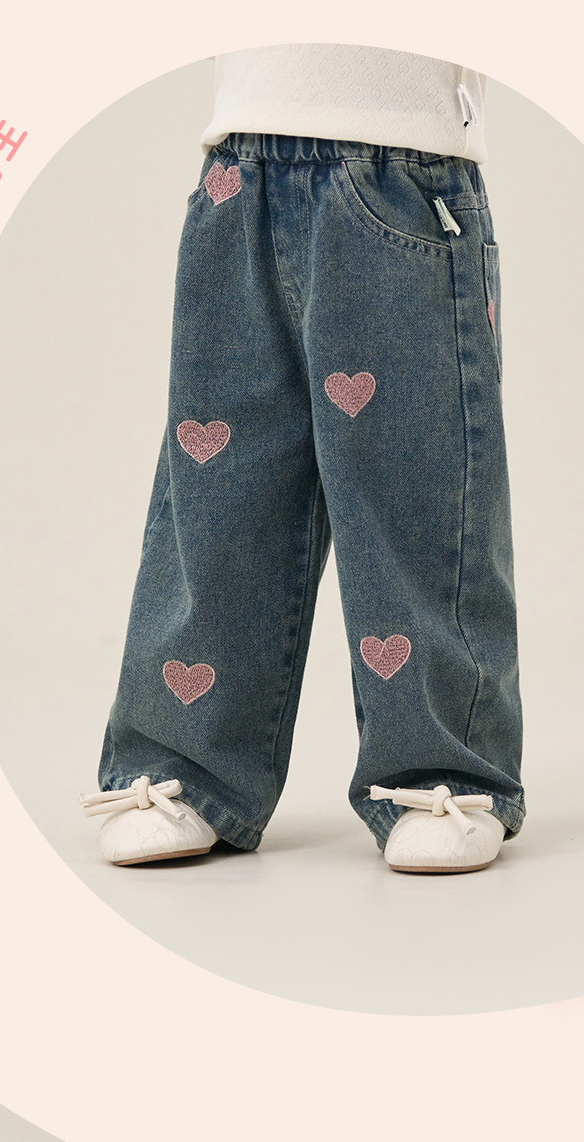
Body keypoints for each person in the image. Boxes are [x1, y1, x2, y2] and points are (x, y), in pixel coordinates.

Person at [80, 43, 526, 873]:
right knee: (219, 486)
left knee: (416, 484)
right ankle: (187, 761)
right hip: (237, 164)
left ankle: (445, 768)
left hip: (405, 165)